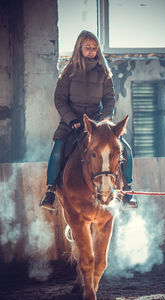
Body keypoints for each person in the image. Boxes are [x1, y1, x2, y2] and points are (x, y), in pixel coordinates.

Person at [40, 30, 137, 210]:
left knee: (125, 149)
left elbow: (109, 100)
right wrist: (71, 120)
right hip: (72, 122)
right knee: (57, 150)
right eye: (88, 48)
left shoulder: (104, 73)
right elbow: (59, 99)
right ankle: (51, 191)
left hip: (97, 124)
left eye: (94, 48)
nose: (91, 51)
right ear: (79, 48)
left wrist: (101, 121)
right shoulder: (68, 72)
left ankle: (128, 191)